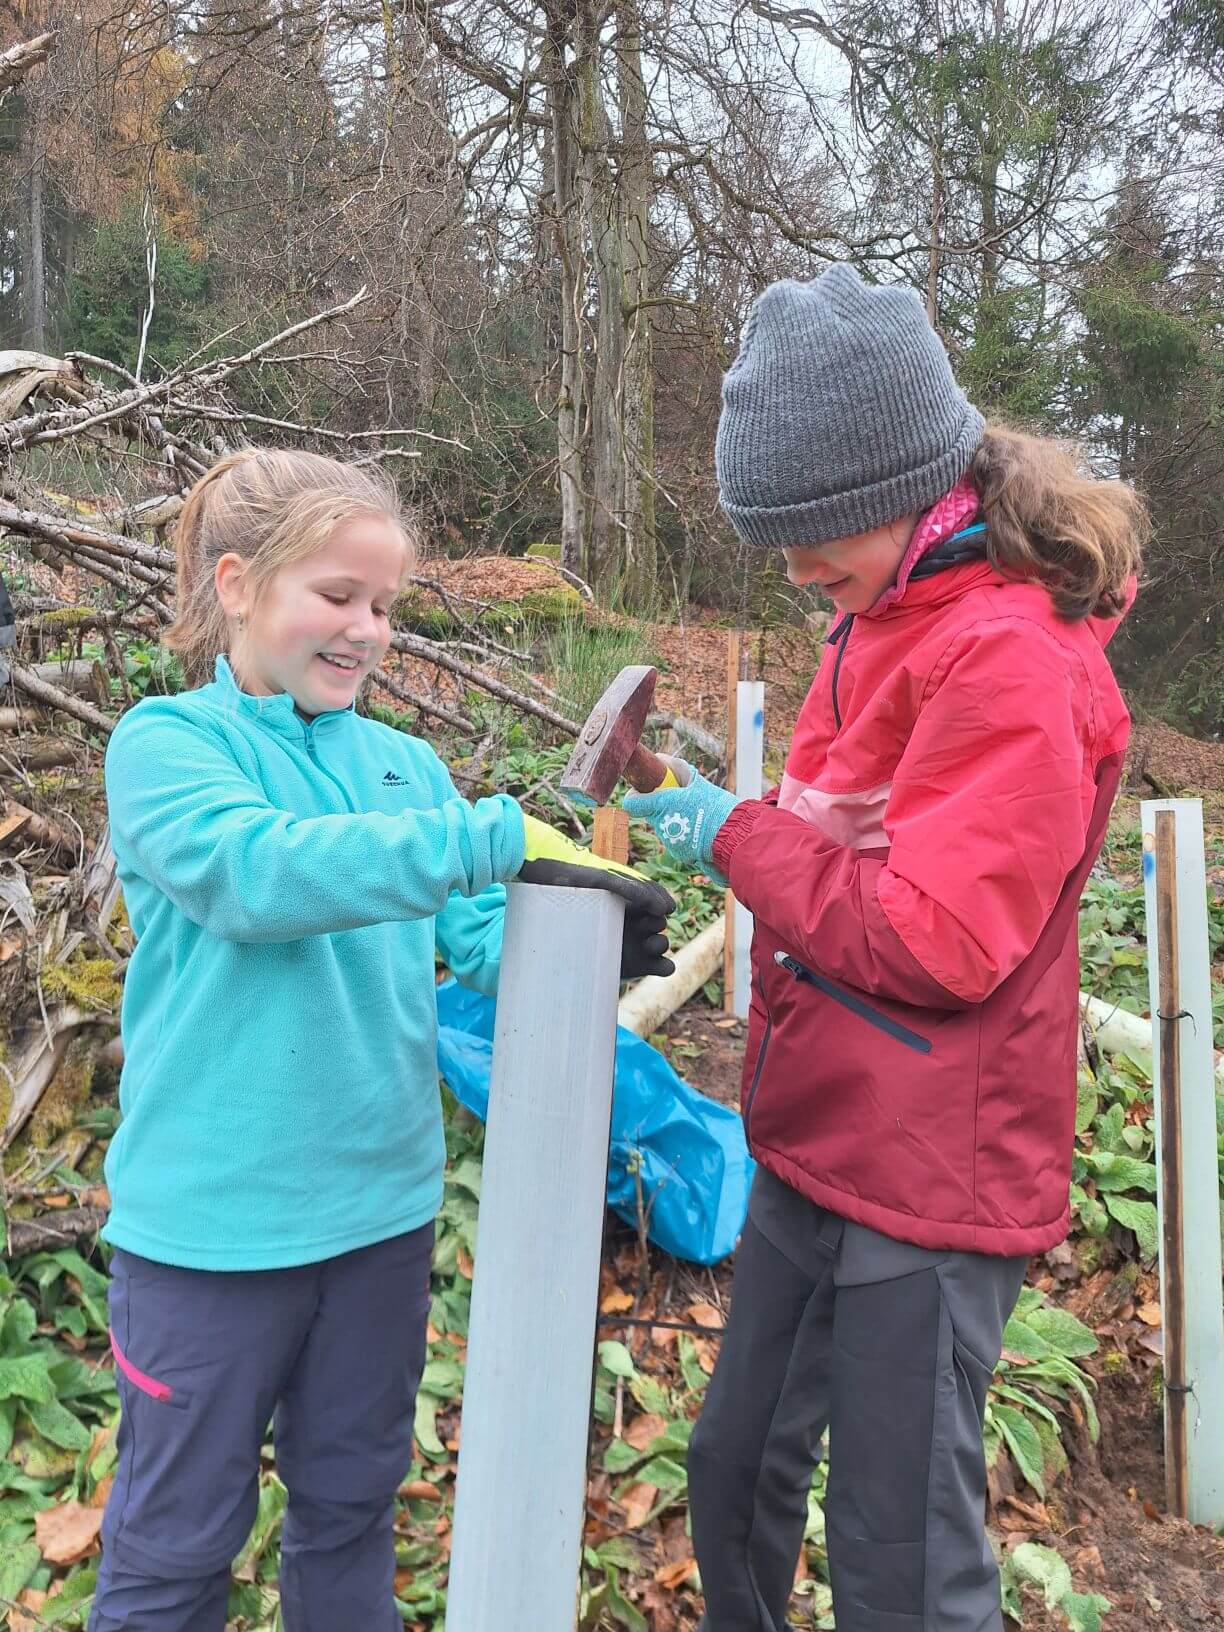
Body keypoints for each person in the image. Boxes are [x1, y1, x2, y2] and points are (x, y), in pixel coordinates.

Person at [624, 264, 1147, 1632]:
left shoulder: (1012, 662)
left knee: (898, 1560)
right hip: (824, 1125)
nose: (796, 571)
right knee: (734, 1470)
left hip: (935, 1167)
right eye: (776, 542)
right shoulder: (884, 612)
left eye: (814, 536)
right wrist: (737, 816)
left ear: (907, 481)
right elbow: (849, 832)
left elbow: (939, 938)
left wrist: (736, 837)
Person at [90, 448, 673, 1631]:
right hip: (209, 1235)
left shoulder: (404, 768)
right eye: (338, 597)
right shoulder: (167, 747)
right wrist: (480, 840)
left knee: (350, 1515)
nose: (367, 631)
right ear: (242, 584)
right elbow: (252, 876)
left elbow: (478, 943)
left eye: (385, 607)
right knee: (171, 1553)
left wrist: (581, 936)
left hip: (379, 1225)